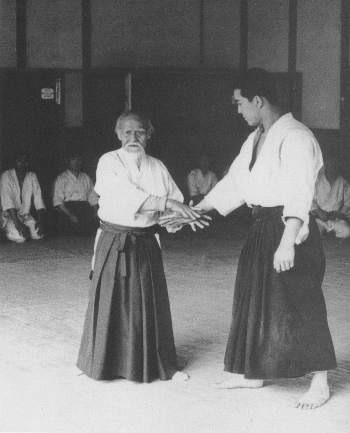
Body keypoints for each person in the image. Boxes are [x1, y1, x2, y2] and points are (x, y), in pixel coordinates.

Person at [160, 68, 336, 409]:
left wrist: (288, 240)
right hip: (262, 228)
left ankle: (320, 380)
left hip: (290, 228)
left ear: (259, 101)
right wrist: (192, 212)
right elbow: (234, 185)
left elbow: (300, 191)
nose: (238, 110)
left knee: (301, 300)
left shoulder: (296, 136)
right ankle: (255, 372)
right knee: (253, 298)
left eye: (240, 103)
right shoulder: (256, 138)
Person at [77, 110, 207, 383]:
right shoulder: (108, 161)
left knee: (149, 304)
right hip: (115, 240)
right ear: (117, 133)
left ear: (149, 135)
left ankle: (159, 365)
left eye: (140, 132)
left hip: (147, 241)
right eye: (127, 132)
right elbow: (126, 195)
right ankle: (100, 363)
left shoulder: (157, 166)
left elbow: (174, 202)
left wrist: (182, 218)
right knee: (110, 302)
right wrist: (168, 204)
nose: (133, 137)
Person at [0, 152, 45, 243]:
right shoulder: (6, 175)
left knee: (38, 235)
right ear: (14, 162)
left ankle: (21, 229)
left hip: (25, 216)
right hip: (9, 217)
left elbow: (38, 199)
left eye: (26, 161)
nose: (23, 164)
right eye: (19, 161)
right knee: (20, 238)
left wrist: (40, 221)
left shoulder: (32, 176)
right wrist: (17, 224)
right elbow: (7, 200)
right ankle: (5, 230)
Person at [53, 152, 99, 236]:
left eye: (79, 160)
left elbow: (93, 196)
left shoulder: (86, 177)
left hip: (84, 208)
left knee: (91, 230)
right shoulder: (61, 178)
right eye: (73, 160)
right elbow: (58, 200)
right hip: (68, 209)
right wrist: (70, 215)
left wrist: (95, 211)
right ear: (67, 161)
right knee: (71, 230)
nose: (76, 163)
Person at [311, 155, 350, 239]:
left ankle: (332, 233)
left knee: (347, 232)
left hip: (335, 218)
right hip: (318, 219)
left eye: (335, 166)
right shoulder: (317, 180)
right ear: (326, 167)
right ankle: (324, 232)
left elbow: (348, 202)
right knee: (314, 234)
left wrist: (338, 214)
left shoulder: (342, 181)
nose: (333, 168)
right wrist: (319, 212)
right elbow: (309, 199)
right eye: (330, 165)